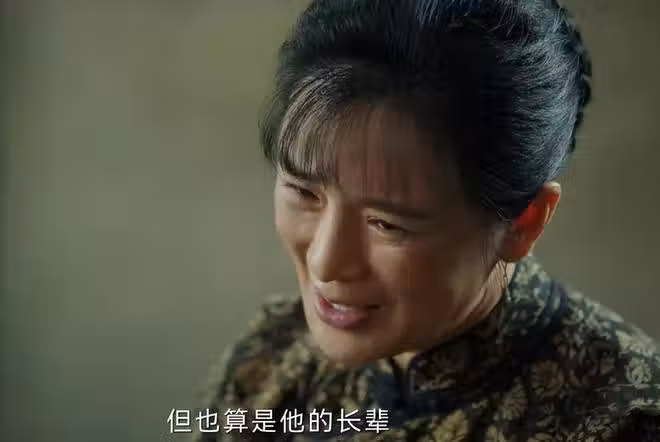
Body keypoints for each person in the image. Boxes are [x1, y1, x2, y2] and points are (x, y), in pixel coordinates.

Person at [193, 0, 660, 440]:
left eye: (386, 223)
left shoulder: (622, 421)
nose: (325, 262)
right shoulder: (270, 359)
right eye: (303, 192)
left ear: (523, 222)